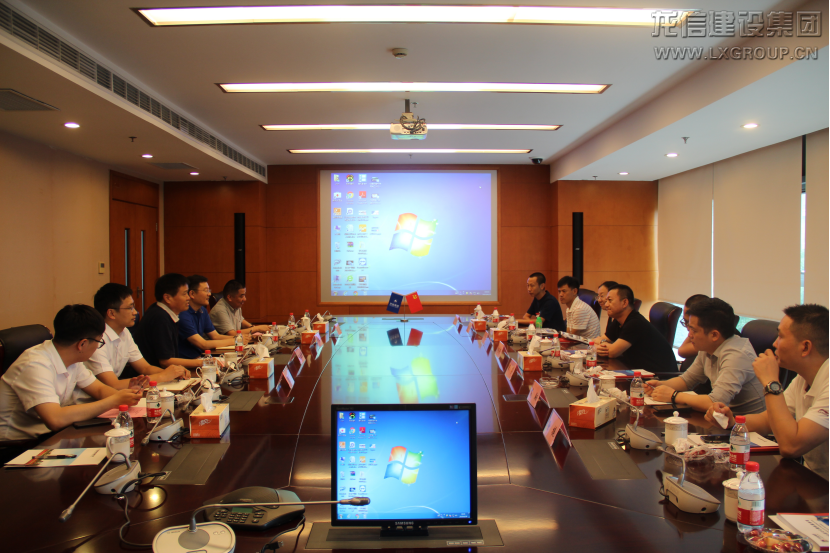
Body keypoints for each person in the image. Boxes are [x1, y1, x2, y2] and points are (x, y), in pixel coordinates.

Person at [706, 304, 828, 480]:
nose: (774, 343)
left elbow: (791, 446)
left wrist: (770, 382)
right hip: (812, 480)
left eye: (781, 336)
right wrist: (733, 422)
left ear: (805, 347)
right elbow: (768, 420)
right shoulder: (803, 377)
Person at [0, 305, 143, 440]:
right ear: (82, 344)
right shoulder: (35, 365)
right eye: (99, 342)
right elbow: (55, 419)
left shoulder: (72, 359)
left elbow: (99, 390)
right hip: (18, 446)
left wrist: (126, 397)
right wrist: (113, 401)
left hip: (52, 435)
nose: (97, 348)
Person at [645, 298, 765, 415]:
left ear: (714, 335)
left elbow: (715, 402)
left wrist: (674, 396)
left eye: (694, 330)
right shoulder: (708, 347)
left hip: (745, 424)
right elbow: (687, 380)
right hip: (721, 419)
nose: (689, 335)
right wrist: (660, 386)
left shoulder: (737, 356)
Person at [78, 284, 189, 398]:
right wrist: (163, 376)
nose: (135, 312)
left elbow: (145, 368)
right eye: (129, 308)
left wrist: (174, 373)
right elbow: (113, 384)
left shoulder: (124, 332)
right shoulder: (96, 340)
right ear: (111, 313)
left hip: (110, 397)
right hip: (90, 400)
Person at [596, 284, 676, 373]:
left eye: (610, 300)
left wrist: (601, 345)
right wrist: (602, 344)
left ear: (624, 303)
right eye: (606, 300)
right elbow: (596, 341)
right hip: (635, 370)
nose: (606, 304)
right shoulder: (619, 320)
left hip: (658, 376)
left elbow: (612, 352)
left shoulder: (635, 323)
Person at [133, 273, 205, 370]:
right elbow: (165, 361)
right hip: (153, 375)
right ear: (167, 298)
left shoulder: (162, 311)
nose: (188, 298)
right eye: (184, 294)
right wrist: (203, 362)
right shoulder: (160, 318)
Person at [178, 275, 241, 359]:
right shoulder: (183, 314)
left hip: (200, 357)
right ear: (192, 294)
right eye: (206, 290)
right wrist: (235, 340)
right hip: (188, 361)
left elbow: (215, 336)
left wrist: (239, 338)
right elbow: (203, 344)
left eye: (209, 290)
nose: (209, 294)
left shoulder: (202, 311)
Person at [677, 294, 709, 361]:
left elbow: (682, 351)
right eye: (685, 322)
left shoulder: (709, 340)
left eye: (690, 324)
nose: (688, 329)